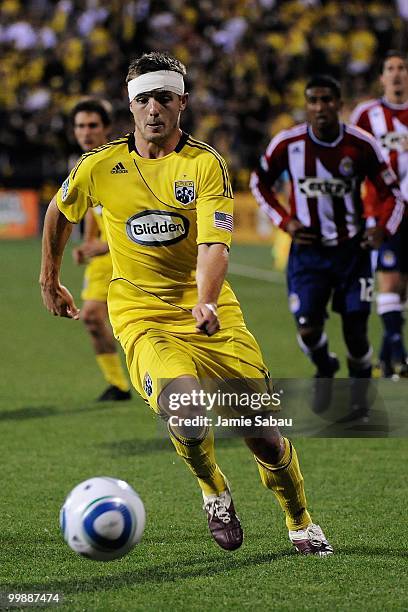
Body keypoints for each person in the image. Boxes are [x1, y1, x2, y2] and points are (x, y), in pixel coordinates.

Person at [40, 51, 333, 556]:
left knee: (262, 435)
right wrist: (49, 278)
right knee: (188, 410)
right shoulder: (99, 166)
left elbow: (214, 244)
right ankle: (213, 488)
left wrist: (206, 299)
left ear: (182, 103)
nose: (153, 109)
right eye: (143, 99)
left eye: (163, 98)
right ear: (130, 107)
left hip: (209, 311)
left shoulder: (203, 164)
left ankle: (299, 518)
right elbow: (59, 212)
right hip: (139, 314)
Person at [250, 74, 404, 419]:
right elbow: (258, 181)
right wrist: (284, 220)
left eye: (326, 100)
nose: (319, 107)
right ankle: (325, 366)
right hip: (308, 254)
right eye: (313, 101)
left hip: (352, 252)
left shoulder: (361, 144)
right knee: (307, 328)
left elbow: (391, 193)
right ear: (307, 105)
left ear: (339, 103)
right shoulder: (287, 143)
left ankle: (360, 393)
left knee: (355, 329)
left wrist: (382, 228)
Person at [350, 51, 408, 378]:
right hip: (381, 211)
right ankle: (400, 356)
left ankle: (387, 363)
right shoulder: (367, 114)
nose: (397, 74)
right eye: (391, 69)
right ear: (382, 78)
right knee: (389, 279)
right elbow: (350, 156)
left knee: (401, 289)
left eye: (402, 68)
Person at [70, 99, 131, 401]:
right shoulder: (84, 166)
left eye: (93, 125)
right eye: (80, 126)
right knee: (91, 318)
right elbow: (95, 213)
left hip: (130, 254)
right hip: (104, 258)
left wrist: (105, 244)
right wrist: (88, 244)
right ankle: (118, 385)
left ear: (106, 128)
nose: (86, 132)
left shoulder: (121, 164)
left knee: (138, 322)